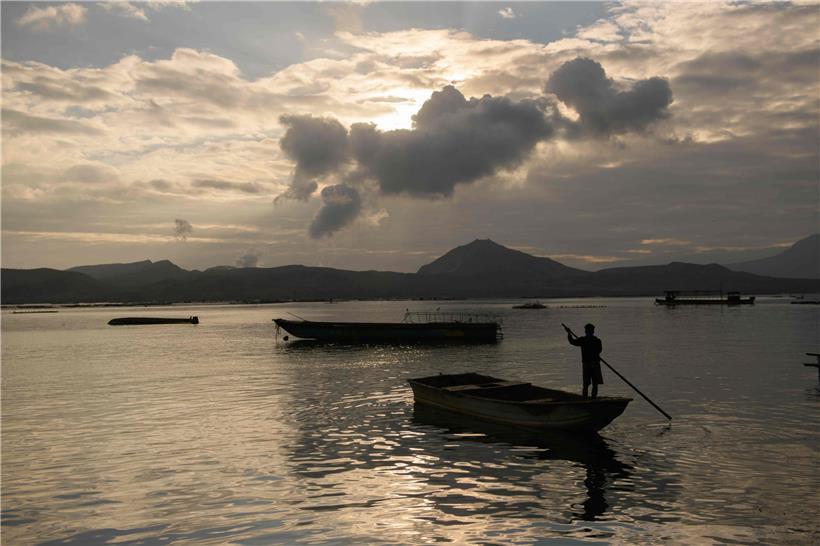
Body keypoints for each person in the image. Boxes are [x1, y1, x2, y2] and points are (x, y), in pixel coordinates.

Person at [566, 323, 603, 399]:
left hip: (589, 364)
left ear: (586, 331)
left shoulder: (584, 340)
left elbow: (572, 341)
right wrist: (569, 333)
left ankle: (586, 398)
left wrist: (569, 333)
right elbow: (599, 351)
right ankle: (592, 398)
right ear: (593, 331)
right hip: (593, 364)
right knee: (593, 384)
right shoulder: (596, 340)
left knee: (586, 384)